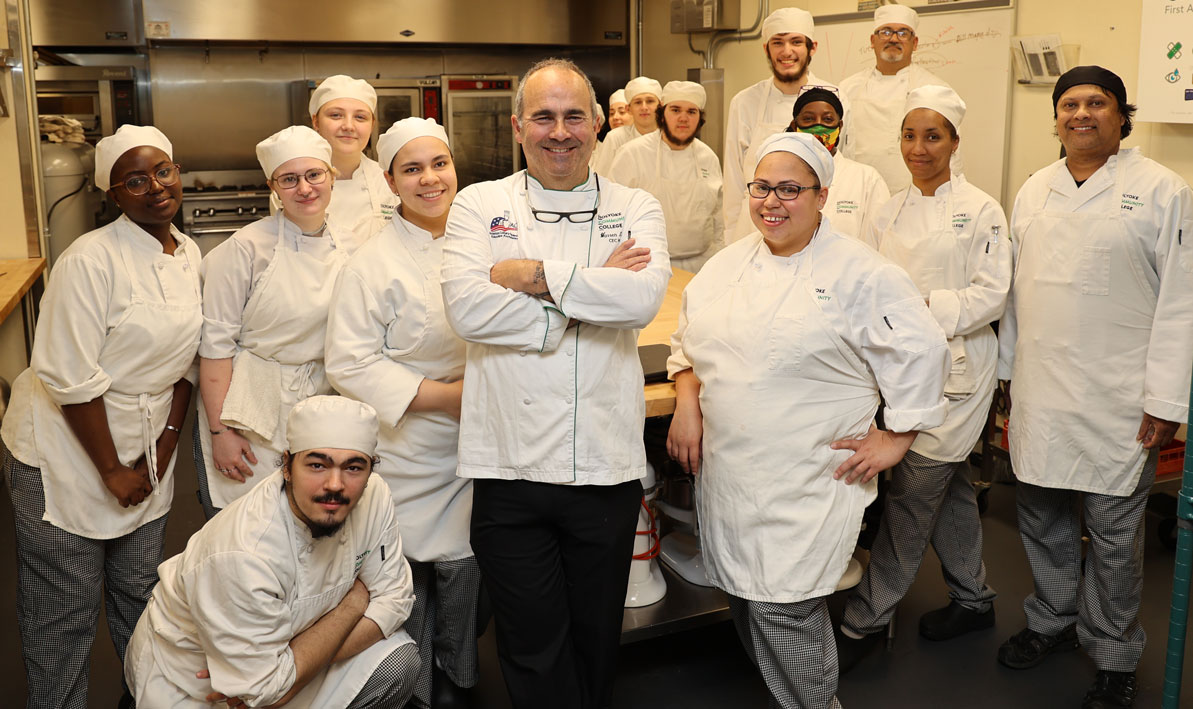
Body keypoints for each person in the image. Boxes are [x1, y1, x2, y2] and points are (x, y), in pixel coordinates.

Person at [666, 131, 949, 709]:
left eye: (790, 189)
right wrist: (687, 399)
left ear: (822, 196)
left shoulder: (862, 275)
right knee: (747, 599)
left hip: (807, 477)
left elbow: (923, 352)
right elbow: (688, 343)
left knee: (784, 606)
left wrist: (898, 435)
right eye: (762, 187)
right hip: (734, 473)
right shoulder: (726, 267)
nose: (772, 201)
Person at [440, 57, 670, 708]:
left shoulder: (635, 205)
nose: (559, 131)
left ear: (598, 125)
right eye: (543, 116)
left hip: (603, 464)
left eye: (574, 116)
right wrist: (592, 286)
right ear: (518, 126)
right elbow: (467, 310)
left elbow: (641, 302)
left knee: (597, 635)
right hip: (508, 466)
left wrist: (527, 274)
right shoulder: (478, 204)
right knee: (530, 639)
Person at [996, 66, 1193, 709]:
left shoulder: (1163, 191)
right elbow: (1017, 296)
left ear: (1121, 115)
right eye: (1069, 104)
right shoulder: (1034, 190)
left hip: (1119, 396)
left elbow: (1181, 305)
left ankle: (1113, 651)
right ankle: (1052, 620)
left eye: (1097, 103)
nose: (1081, 114)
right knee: (1043, 517)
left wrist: (1164, 401)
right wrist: (1005, 376)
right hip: (1042, 387)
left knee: (1114, 533)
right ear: (1056, 118)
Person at [0, 125, 202, 708]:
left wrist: (162, 448)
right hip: (64, 449)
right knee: (65, 604)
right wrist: (113, 470)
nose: (155, 187)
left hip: (143, 446)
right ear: (112, 195)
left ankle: (147, 698)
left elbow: (186, 365)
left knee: (141, 592)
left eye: (163, 171)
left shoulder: (187, 254)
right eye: (134, 180)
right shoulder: (91, 260)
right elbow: (67, 376)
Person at [837, 85, 1009, 669]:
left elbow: (991, 296)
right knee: (950, 491)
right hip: (896, 369)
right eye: (910, 135)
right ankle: (974, 597)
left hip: (956, 375)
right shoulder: (888, 208)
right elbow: (866, 284)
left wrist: (914, 310)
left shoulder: (983, 208)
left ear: (954, 142)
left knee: (911, 496)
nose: (919, 147)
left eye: (932, 135)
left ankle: (863, 620)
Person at [124, 396, 419, 708]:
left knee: (399, 663)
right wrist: (355, 603)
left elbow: (395, 600)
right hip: (200, 684)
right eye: (317, 465)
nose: (336, 484)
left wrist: (293, 662)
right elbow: (259, 691)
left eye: (354, 467)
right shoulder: (245, 552)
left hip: (294, 664)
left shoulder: (375, 496)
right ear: (288, 466)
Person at [326, 117, 480, 708]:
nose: (429, 179)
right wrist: (451, 398)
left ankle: (460, 677)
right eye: (411, 170)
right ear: (389, 181)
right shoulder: (372, 263)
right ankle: (410, 684)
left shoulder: (483, 243)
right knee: (405, 573)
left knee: (466, 569)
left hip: (475, 438)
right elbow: (350, 362)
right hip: (408, 437)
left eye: (438, 164)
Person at [195, 126, 349, 519]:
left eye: (314, 175)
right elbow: (215, 347)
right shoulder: (244, 249)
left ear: (331, 175)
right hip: (247, 408)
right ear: (274, 186)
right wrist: (221, 433)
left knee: (311, 527)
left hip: (319, 401)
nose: (305, 188)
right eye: (290, 179)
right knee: (247, 528)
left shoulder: (350, 248)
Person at [723, 7, 839, 239]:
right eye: (778, 43)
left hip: (814, 229)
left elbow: (842, 173)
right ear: (766, 49)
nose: (787, 52)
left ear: (812, 47)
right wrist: (731, 237)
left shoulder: (836, 100)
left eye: (796, 42)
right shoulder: (744, 102)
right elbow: (734, 181)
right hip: (754, 228)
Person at [611, 80, 724, 272]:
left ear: (700, 118)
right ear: (662, 113)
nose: (683, 118)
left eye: (691, 112)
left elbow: (719, 218)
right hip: (647, 264)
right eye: (676, 110)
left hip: (703, 264)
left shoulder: (708, 157)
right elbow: (612, 212)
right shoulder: (632, 154)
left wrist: (722, 261)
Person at [839, 5, 953, 192]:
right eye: (885, 32)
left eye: (902, 33)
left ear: (915, 43)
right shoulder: (847, 89)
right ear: (872, 40)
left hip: (914, 195)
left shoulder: (936, 89)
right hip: (857, 193)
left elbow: (951, 155)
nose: (893, 38)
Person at [771, 86, 888, 243]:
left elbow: (882, 242)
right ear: (794, 125)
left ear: (839, 127)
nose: (818, 126)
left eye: (827, 119)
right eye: (808, 119)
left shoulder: (867, 179)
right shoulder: (780, 176)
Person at [308, 74, 398, 248]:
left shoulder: (390, 181)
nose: (348, 126)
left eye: (360, 117)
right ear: (316, 122)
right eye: (336, 115)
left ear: (372, 125)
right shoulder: (295, 184)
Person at [592, 76, 662, 175]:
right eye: (638, 102)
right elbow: (602, 178)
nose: (644, 107)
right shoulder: (616, 138)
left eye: (650, 101)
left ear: (660, 106)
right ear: (629, 109)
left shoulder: (669, 137)